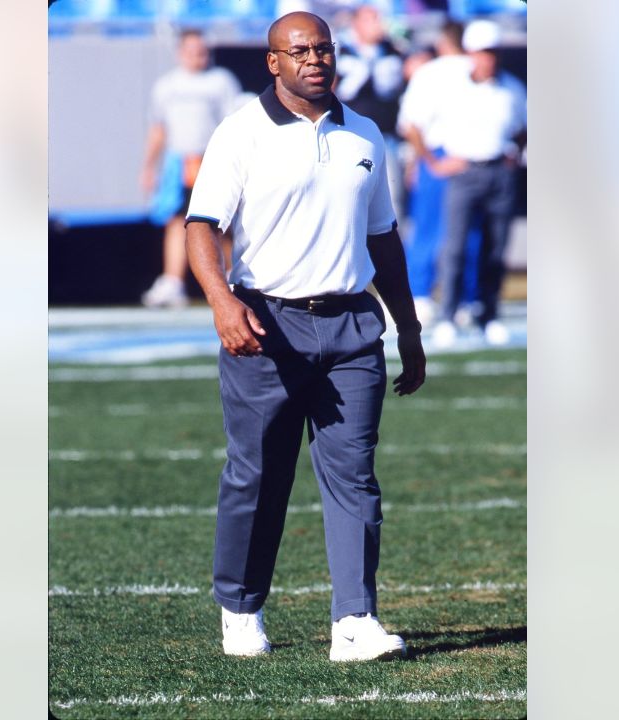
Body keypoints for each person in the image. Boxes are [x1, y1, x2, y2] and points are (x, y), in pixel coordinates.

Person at [184, 11, 426, 662]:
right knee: (257, 474)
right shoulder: (239, 134)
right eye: (300, 50)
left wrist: (408, 325)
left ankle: (354, 620)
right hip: (266, 324)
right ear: (274, 62)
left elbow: (383, 240)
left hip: (352, 324)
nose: (315, 59)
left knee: (355, 476)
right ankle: (240, 608)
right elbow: (202, 226)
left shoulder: (366, 135)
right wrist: (220, 303)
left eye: (324, 48)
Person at [428, 19, 526, 346]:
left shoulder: (512, 88)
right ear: (471, 53)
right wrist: (434, 162)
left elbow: (523, 127)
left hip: (500, 172)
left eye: (493, 52)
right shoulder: (453, 90)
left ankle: (489, 314)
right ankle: (448, 315)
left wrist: (514, 153)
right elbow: (415, 124)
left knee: (495, 250)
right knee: (455, 247)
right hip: (464, 173)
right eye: (483, 52)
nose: (489, 58)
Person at [139, 30, 242, 308]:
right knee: (176, 220)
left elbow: (233, 124)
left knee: (220, 222)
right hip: (178, 161)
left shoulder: (221, 82)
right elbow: (159, 129)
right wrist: (149, 166)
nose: (197, 56)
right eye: (191, 50)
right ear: (180, 52)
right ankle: (173, 281)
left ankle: (233, 276)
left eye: (202, 50)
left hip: (211, 158)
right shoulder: (167, 85)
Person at [396, 21, 474, 327]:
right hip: (474, 157)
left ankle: (420, 297)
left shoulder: (430, 72)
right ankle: (468, 299)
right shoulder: (481, 71)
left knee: (427, 230)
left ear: (444, 41)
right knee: (469, 232)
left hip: (438, 154)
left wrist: (423, 160)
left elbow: (410, 124)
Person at [334, 5, 407, 229]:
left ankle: (390, 257)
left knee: (391, 201)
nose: (378, 24)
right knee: (348, 196)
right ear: (356, 23)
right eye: (371, 19)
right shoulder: (341, 49)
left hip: (386, 137)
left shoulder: (393, 49)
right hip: (349, 136)